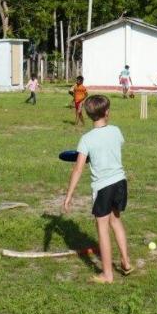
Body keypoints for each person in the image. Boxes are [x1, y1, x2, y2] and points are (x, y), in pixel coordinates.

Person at [62, 95, 132, 284]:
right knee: (116, 221)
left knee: (102, 228)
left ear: (88, 114)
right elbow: (112, 147)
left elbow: (78, 169)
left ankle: (107, 275)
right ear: (107, 112)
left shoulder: (86, 139)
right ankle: (126, 262)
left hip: (103, 187)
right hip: (120, 182)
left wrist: (69, 196)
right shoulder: (116, 131)